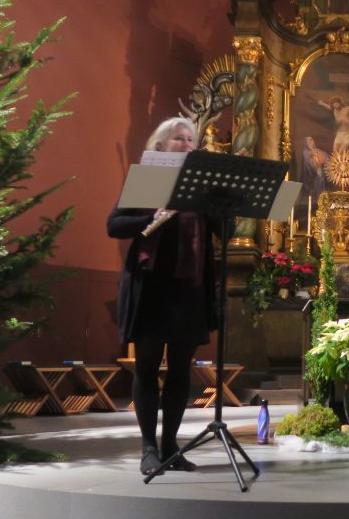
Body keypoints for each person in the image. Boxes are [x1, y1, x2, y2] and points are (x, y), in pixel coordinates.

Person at [107, 117, 219, 475]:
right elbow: (114, 225)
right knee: (147, 365)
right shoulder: (146, 178)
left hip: (190, 288)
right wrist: (150, 217)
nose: (187, 145)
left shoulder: (201, 187)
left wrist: (220, 203)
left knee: (180, 372)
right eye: (179, 139)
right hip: (151, 286)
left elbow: (223, 232)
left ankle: (171, 445)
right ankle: (148, 447)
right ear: (160, 146)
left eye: (191, 140)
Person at [300, 135, 328, 202]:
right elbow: (306, 163)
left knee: (321, 188)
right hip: (311, 176)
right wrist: (313, 162)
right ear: (306, 142)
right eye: (309, 140)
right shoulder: (305, 152)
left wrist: (323, 159)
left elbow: (326, 157)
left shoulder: (317, 150)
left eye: (312, 140)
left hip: (319, 174)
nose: (311, 142)